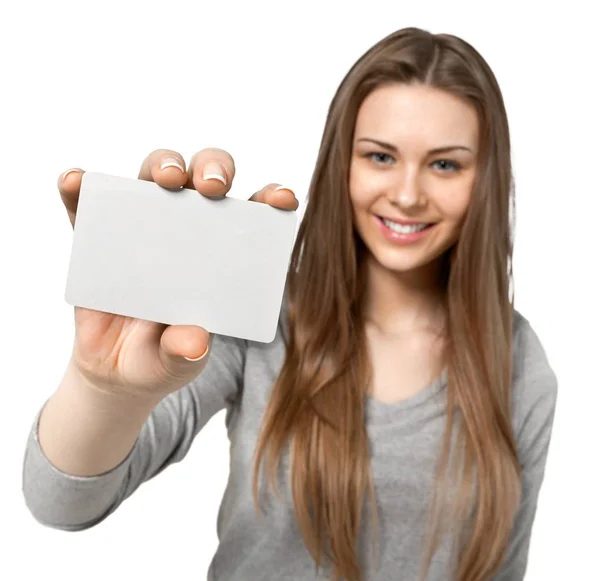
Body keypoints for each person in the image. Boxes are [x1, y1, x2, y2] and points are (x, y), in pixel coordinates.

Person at [22, 26, 557, 581]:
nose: (406, 194)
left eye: (444, 164)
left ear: (485, 178)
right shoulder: (261, 317)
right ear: (341, 162)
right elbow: (62, 503)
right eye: (380, 156)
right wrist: (101, 387)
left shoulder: (520, 364)